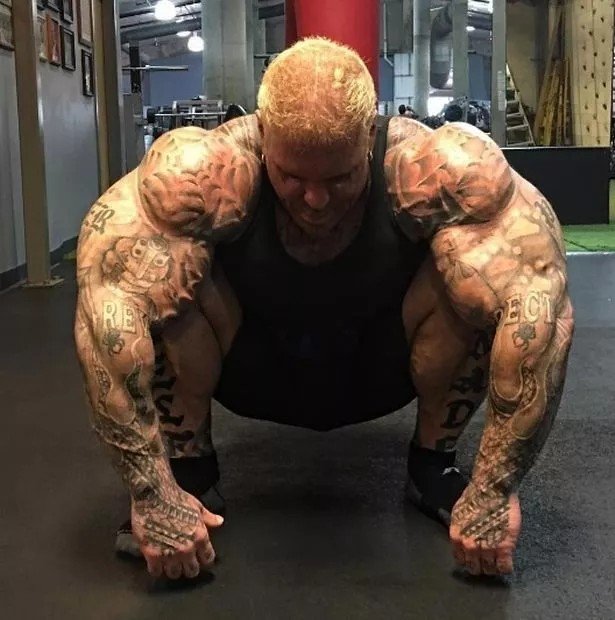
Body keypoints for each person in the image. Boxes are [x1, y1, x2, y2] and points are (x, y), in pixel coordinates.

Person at [74, 37, 574, 581]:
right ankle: (189, 471)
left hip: (379, 368)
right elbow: (106, 318)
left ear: (368, 139)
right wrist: (150, 494)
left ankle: (434, 464)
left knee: (475, 285)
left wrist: (495, 489)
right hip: (252, 368)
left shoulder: (437, 173)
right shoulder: (200, 176)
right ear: (263, 137)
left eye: (339, 179)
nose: (315, 200)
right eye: (292, 178)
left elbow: (540, 311)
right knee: (158, 286)